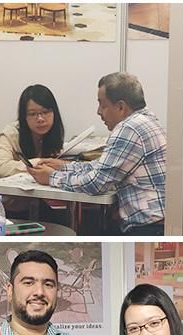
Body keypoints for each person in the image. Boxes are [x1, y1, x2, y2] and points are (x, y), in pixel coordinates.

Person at [28, 73, 166, 235]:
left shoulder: (129, 128)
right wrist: (65, 166)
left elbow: (97, 183)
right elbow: (104, 167)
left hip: (147, 228)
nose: (99, 112)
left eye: (103, 105)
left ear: (121, 107)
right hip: (157, 222)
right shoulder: (146, 119)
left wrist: (51, 178)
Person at [0, 84, 65, 215]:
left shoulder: (53, 134)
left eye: (45, 112)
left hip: (29, 202)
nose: (40, 119)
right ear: (24, 116)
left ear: (54, 113)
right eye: (33, 114)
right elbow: (0, 168)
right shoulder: (10, 133)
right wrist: (37, 163)